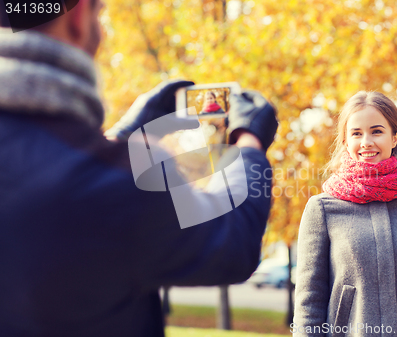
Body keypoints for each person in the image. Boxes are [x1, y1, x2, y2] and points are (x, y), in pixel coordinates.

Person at [0, 2, 278, 337]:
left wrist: (120, 137)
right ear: (77, 16)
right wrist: (248, 142)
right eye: (98, 14)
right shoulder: (119, 185)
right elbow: (234, 241)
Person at [293, 91, 397, 337]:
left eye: (376, 131)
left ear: (395, 137)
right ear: (345, 140)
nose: (366, 142)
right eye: (356, 133)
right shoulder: (322, 209)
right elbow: (309, 301)